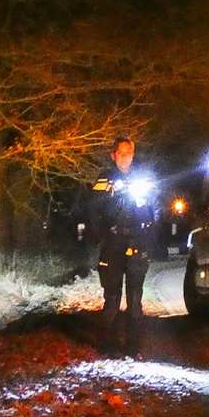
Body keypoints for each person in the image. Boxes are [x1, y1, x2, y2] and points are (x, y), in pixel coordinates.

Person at [86, 136, 158, 356]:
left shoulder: (142, 178)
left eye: (129, 153)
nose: (126, 157)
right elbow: (93, 210)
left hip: (137, 242)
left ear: (133, 154)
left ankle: (134, 348)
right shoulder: (105, 179)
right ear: (113, 155)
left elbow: (155, 210)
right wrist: (102, 235)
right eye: (122, 153)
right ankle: (109, 347)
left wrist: (149, 234)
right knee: (112, 298)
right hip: (113, 244)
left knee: (135, 298)